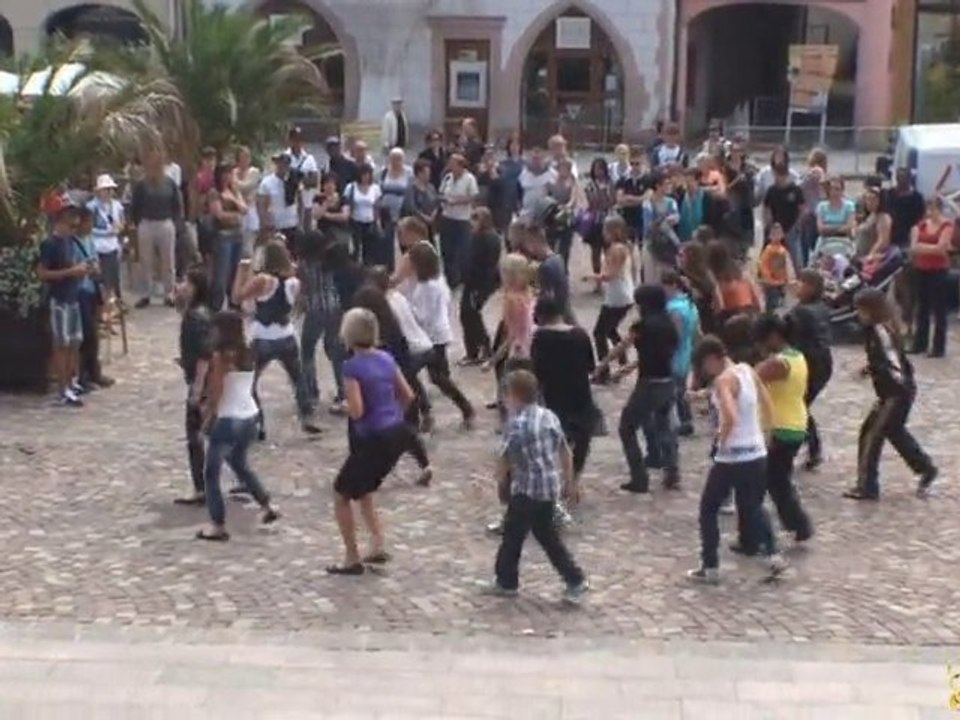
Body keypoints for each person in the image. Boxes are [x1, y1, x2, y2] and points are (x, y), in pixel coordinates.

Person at [686, 335, 786, 583]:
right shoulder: (746, 370)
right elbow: (765, 401)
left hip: (733, 456)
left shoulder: (723, 381)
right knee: (753, 505)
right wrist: (768, 432)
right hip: (756, 451)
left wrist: (720, 439)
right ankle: (773, 555)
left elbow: (729, 414)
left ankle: (710, 565)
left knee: (708, 509)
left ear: (712, 360)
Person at [327, 308, 420, 574]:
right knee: (365, 490)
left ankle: (352, 557)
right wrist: (393, 415)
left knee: (341, 493)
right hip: (396, 432)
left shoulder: (351, 367)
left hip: (373, 438)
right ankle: (377, 543)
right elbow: (408, 394)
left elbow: (357, 410)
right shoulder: (386, 358)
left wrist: (343, 406)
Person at [485, 369, 590, 604]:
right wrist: (570, 481)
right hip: (548, 487)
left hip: (527, 489)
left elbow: (505, 459)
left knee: (513, 536)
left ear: (514, 396)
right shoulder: (548, 416)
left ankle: (507, 581)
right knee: (546, 535)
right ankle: (574, 579)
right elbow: (564, 449)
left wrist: (499, 483)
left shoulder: (516, 424)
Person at [196, 310, 281, 541]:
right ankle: (266, 504)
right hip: (250, 415)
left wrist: (207, 419)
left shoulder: (220, 357)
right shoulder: (249, 353)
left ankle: (217, 524)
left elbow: (217, 392)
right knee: (239, 463)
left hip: (227, 417)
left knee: (211, 474)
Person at [845, 289, 938, 500]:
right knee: (894, 432)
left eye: (860, 310)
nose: (858, 315)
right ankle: (925, 467)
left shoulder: (880, 331)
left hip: (895, 393)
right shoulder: (876, 330)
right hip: (893, 392)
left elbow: (892, 361)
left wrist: (893, 383)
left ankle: (867, 486)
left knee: (873, 435)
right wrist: (870, 369)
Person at [232, 241, 321, 439]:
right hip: (286, 335)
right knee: (298, 380)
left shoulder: (263, 280)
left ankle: (258, 423)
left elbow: (237, 297)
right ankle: (307, 417)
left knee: (249, 382)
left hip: (262, 337)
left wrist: (242, 270)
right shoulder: (293, 283)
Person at [597, 285, 680, 492]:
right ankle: (672, 471)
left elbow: (622, 346)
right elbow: (657, 354)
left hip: (649, 384)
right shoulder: (669, 324)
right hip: (668, 381)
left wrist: (603, 364)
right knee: (664, 426)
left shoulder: (642, 326)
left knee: (627, 427)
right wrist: (626, 370)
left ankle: (639, 477)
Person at [751, 315, 815, 547]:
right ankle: (798, 524)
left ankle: (755, 534)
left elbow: (748, 380)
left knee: (759, 482)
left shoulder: (777, 363)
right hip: (795, 423)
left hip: (778, 427)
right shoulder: (797, 357)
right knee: (778, 481)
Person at [406, 242, 476, 428]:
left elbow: (423, 316)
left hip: (430, 336)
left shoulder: (426, 287)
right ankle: (461, 407)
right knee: (437, 376)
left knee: (420, 374)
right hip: (440, 332)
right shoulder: (438, 280)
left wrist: (408, 309)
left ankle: (429, 410)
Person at [531, 297, 597, 490]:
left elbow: (536, 369)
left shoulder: (540, 338)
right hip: (580, 393)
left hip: (554, 394)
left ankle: (558, 478)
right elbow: (590, 366)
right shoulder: (580, 335)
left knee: (558, 438)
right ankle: (574, 478)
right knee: (582, 438)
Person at [37, 206, 88, 407]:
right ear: (60, 223)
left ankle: (72, 380)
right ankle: (63, 387)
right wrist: (70, 272)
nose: (74, 229)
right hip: (58, 299)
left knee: (75, 341)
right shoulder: (50, 244)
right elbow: (42, 273)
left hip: (73, 297)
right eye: (71, 225)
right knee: (61, 344)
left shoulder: (72, 242)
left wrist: (84, 271)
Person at [297, 231, 347, 416]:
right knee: (336, 351)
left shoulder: (304, 265)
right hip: (335, 306)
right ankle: (343, 391)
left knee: (307, 350)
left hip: (315, 308)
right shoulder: (332, 260)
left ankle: (311, 392)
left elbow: (303, 290)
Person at [787, 270, 833, 470]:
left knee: (799, 406)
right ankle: (811, 448)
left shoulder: (802, 312)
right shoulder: (821, 308)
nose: (797, 286)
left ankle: (808, 448)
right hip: (823, 363)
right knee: (801, 406)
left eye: (802, 283)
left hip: (810, 364)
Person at [175, 267, 213, 506]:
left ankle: (201, 487)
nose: (180, 286)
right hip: (205, 379)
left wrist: (197, 389)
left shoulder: (194, 318)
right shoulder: (200, 313)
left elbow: (204, 355)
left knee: (196, 436)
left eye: (185, 282)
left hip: (203, 382)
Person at [131, 149, 182, 308]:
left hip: (165, 223)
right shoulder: (141, 184)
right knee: (145, 261)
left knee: (168, 261)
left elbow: (177, 205)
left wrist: (174, 222)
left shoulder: (169, 183)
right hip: (146, 223)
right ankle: (145, 294)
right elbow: (135, 206)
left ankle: (169, 294)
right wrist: (137, 223)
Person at [587, 216, 634, 383]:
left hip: (616, 296)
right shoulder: (625, 247)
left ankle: (603, 372)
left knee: (599, 333)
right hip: (625, 292)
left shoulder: (616, 249)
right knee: (611, 329)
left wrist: (593, 277)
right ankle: (622, 360)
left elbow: (610, 275)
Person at [72, 207, 112, 391]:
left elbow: (94, 260)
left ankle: (94, 371)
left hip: (91, 290)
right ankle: (82, 376)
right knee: (85, 335)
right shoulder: (72, 242)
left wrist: (96, 270)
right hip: (79, 291)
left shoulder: (89, 240)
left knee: (94, 334)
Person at [909, 197, 953, 357]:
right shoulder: (921, 225)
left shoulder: (946, 225)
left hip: (939, 270)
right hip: (922, 268)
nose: (930, 212)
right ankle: (919, 343)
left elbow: (942, 249)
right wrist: (929, 248)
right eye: (928, 208)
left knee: (939, 309)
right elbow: (913, 247)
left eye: (932, 208)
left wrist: (923, 247)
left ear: (939, 209)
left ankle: (938, 347)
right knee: (922, 308)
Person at [459, 207, 502, 365]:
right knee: (468, 315)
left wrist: (479, 289)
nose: (473, 222)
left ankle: (481, 349)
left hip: (479, 284)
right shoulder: (478, 236)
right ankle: (475, 350)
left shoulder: (488, 239)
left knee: (471, 315)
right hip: (473, 283)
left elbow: (487, 266)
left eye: (476, 218)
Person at [663, 271, 700, 437]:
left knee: (675, 391)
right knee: (680, 389)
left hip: (675, 356)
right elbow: (697, 333)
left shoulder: (673, 308)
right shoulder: (690, 304)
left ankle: (682, 421)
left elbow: (674, 336)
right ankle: (685, 420)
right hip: (686, 353)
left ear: (672, 286)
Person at [208, 164, 247, 311]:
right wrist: (235, 215)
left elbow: (244, 209)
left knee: (235, 272)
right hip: (223, 236)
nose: (227, 176)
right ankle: (215, 306)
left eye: (229, 173)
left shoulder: (234, 191)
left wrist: (235, 199)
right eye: (224, 173)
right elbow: (219, 215)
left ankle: (233, 303)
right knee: (221, 273)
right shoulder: (214, 192)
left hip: (237, 235)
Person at [438, 153, 478, 288]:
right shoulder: (447, 178)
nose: (450, 166)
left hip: (462, 219)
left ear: (460, 166)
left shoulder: (469, 179)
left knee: (462, 250)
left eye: (453, 164)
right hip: (447, 217)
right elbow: (442, 193)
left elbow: (472, 197)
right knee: (446, 250)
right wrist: (443, 200)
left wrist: (456, 201)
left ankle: (463, 277)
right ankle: (451, 278)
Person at [522, 225, 575, 324]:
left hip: (554, 316)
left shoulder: (545, 267)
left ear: (533, 242)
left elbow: (546, 297)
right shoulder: (558, 258)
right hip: (564, 309)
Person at [88, 174, 125, 313]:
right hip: (97, 247)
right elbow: (89, 228)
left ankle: (110, 312)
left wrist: (118, 228)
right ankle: (100, 312)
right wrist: (106, 233)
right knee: (99, 282)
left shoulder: (117, 206)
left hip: (112, 247)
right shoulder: (91, 207)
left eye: (110, 189)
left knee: (111, 282)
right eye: (105, 189)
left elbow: (122, 222)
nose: (108, 192)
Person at [640, 171, 681, 285]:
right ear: (658, 186)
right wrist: (664, 220)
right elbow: (648, 225)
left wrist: (666, 220)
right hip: (651, 242)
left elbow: (676, 217)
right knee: (651, 275)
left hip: (667, 241)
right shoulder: (648, 203)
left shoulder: (671, 202)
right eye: (666, 183)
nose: (669, 186)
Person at [762, 164, 805, 272]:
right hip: (775, 228)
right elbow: (767, 209)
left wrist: (797, 225)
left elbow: (802, 208)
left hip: (791, 227)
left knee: (794, 255)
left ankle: (796, 274)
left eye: (781, 175)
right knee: (769, 254)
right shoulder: (771, 191)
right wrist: (770, 226)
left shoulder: (795, 190)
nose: (779, 178)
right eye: (777, 175)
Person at [707, 239, 763, 321]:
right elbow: (756, 296)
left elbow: (718, 308)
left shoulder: (715, 280)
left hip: (733, 319)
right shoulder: (742, 272)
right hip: (750, 314)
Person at [582, 157, 618, 285]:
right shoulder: (590, 185)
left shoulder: (611, 183)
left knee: (609, 251)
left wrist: (604, 201)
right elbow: (592, 202)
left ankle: (609, 276)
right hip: (595, 222)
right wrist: (603, 200)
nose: (598, 172)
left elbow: (613, 200)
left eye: (601, 169)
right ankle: (598, 280)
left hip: (609, 221)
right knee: (595, 252)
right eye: (596, 169)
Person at [257, 153, 300, 253]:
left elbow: (299, 200)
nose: (282, 166)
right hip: (274, 226)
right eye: (280, 163)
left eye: (285, 164)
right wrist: (265, 224)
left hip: (291, 224)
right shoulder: (267, 182)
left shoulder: (293, 181)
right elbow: (262, 205)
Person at [545, 156, 584, 267]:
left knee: (565, 247)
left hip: (567, 216)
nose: (563, 170)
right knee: (550, 244)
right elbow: (547, 195)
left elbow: (573, 198)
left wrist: (567, 206)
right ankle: (550, 267)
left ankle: (563, 269)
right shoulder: (551, 181)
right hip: (552, 215)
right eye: (561, 168)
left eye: (566, 168)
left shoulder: (572, 182)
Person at [378, 148, 412, 270]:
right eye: (393, 158)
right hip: (386, 212)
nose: (396, 161)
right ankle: (389, 269)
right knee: (386, 242)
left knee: (406, 240)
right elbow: (379, 191)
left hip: (403, 212)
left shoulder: (409, 172)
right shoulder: (384, 172)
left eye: (399, 159)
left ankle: (408, 266)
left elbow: (411, 192)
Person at [614, 147, 652, 243]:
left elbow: (647, 198)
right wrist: (638, 200)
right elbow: (619, 200)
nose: (634, 167)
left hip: (642, 219)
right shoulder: (623, 179)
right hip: (626, 218)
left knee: (641, 248)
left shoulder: (649, 179)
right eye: (632, 164)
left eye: (637, 164)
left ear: (643, 162)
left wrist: (629, 198)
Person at [285, 127, 320, 230]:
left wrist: (299, 181)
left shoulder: (309, 159)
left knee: (306, 230)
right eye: (294, 139)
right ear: (290, 140)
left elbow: (314, 180)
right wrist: (303, 177)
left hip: (306, 201)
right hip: (288, 203)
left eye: (300, 139)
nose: (297, 142)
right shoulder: (284, 157)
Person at [814, 176, 856, 259]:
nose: (834, 192)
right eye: (832, 189)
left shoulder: (849, 206)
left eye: (837, 189)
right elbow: (820, 229)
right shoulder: (821, 206)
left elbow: (848, 227)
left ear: (842, 190)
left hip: (844, 241)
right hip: (825, 240)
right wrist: (840, 228)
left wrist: (828, 228)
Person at [233, 146, 262, 259]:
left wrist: (235, 184)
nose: (244, 160)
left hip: (250, 210)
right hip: (237, 210)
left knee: (248, 249)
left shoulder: (254, 172)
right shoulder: (234, 172)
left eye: (247, 157)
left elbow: (246, 186)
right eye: (242, 157)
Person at [757, 222, 794, 311]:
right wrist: (768, 279)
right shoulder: (768, 250)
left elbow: (788, 265)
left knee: (781, 304)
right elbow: (763, 265)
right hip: (771, 284)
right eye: (774, 233)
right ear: (769, 236)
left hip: (782, 282)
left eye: (779, 233)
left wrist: (790, 278)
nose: (777, 236)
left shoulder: (784, 250)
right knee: (771, 304)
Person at [401, 159, 440, 239]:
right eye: (426, 173)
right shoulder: (411, 189)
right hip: (416, 226)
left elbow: (436, 202)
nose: (429, 175)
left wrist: (433, 214)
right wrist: (424, 217)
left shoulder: (431, 187)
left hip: (430, 226)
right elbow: (411, 207)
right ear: (419, 173)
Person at [311, 173, 352, 248]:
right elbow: (316, 215)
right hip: (323, 233)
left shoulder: (343, 199)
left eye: (332, 183)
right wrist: (326, 203)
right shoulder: (318, 199)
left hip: (340, 233)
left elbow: (344, 216)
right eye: (327, 183)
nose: (330, 186)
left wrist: (326, 215)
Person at [518, 148, 557, 219]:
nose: (536, 161)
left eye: (538, 159)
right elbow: (518, 192)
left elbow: (556, 194)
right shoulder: (524, 173)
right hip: (526, 213)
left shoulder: (552, 174)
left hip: (545, 214)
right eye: (534, 159)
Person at [855, 187, 892, 260]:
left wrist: (871, 254)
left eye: (873, 199)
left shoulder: (883, 217)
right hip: (860, 256)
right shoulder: (870, 216)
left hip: (871, 259)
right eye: (867, 199)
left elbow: (883, 241)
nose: (869, 202)